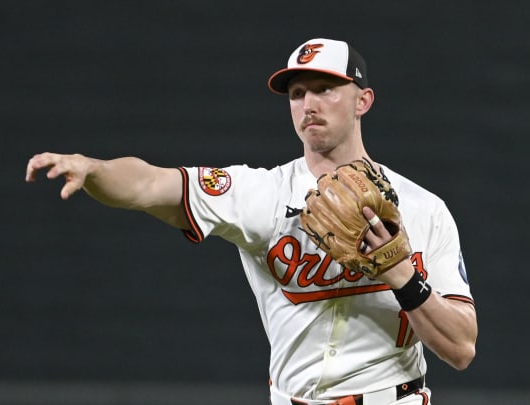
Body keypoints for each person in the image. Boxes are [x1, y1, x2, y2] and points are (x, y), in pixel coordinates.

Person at [25, 38, 477, 405]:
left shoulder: (423, 209)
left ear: (364, 101)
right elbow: (149, 185)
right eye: (297, 94)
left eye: (324, 88)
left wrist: (401, 274)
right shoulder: (262, 193)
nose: (308, 104)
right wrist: (94, 169)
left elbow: (461, 349)